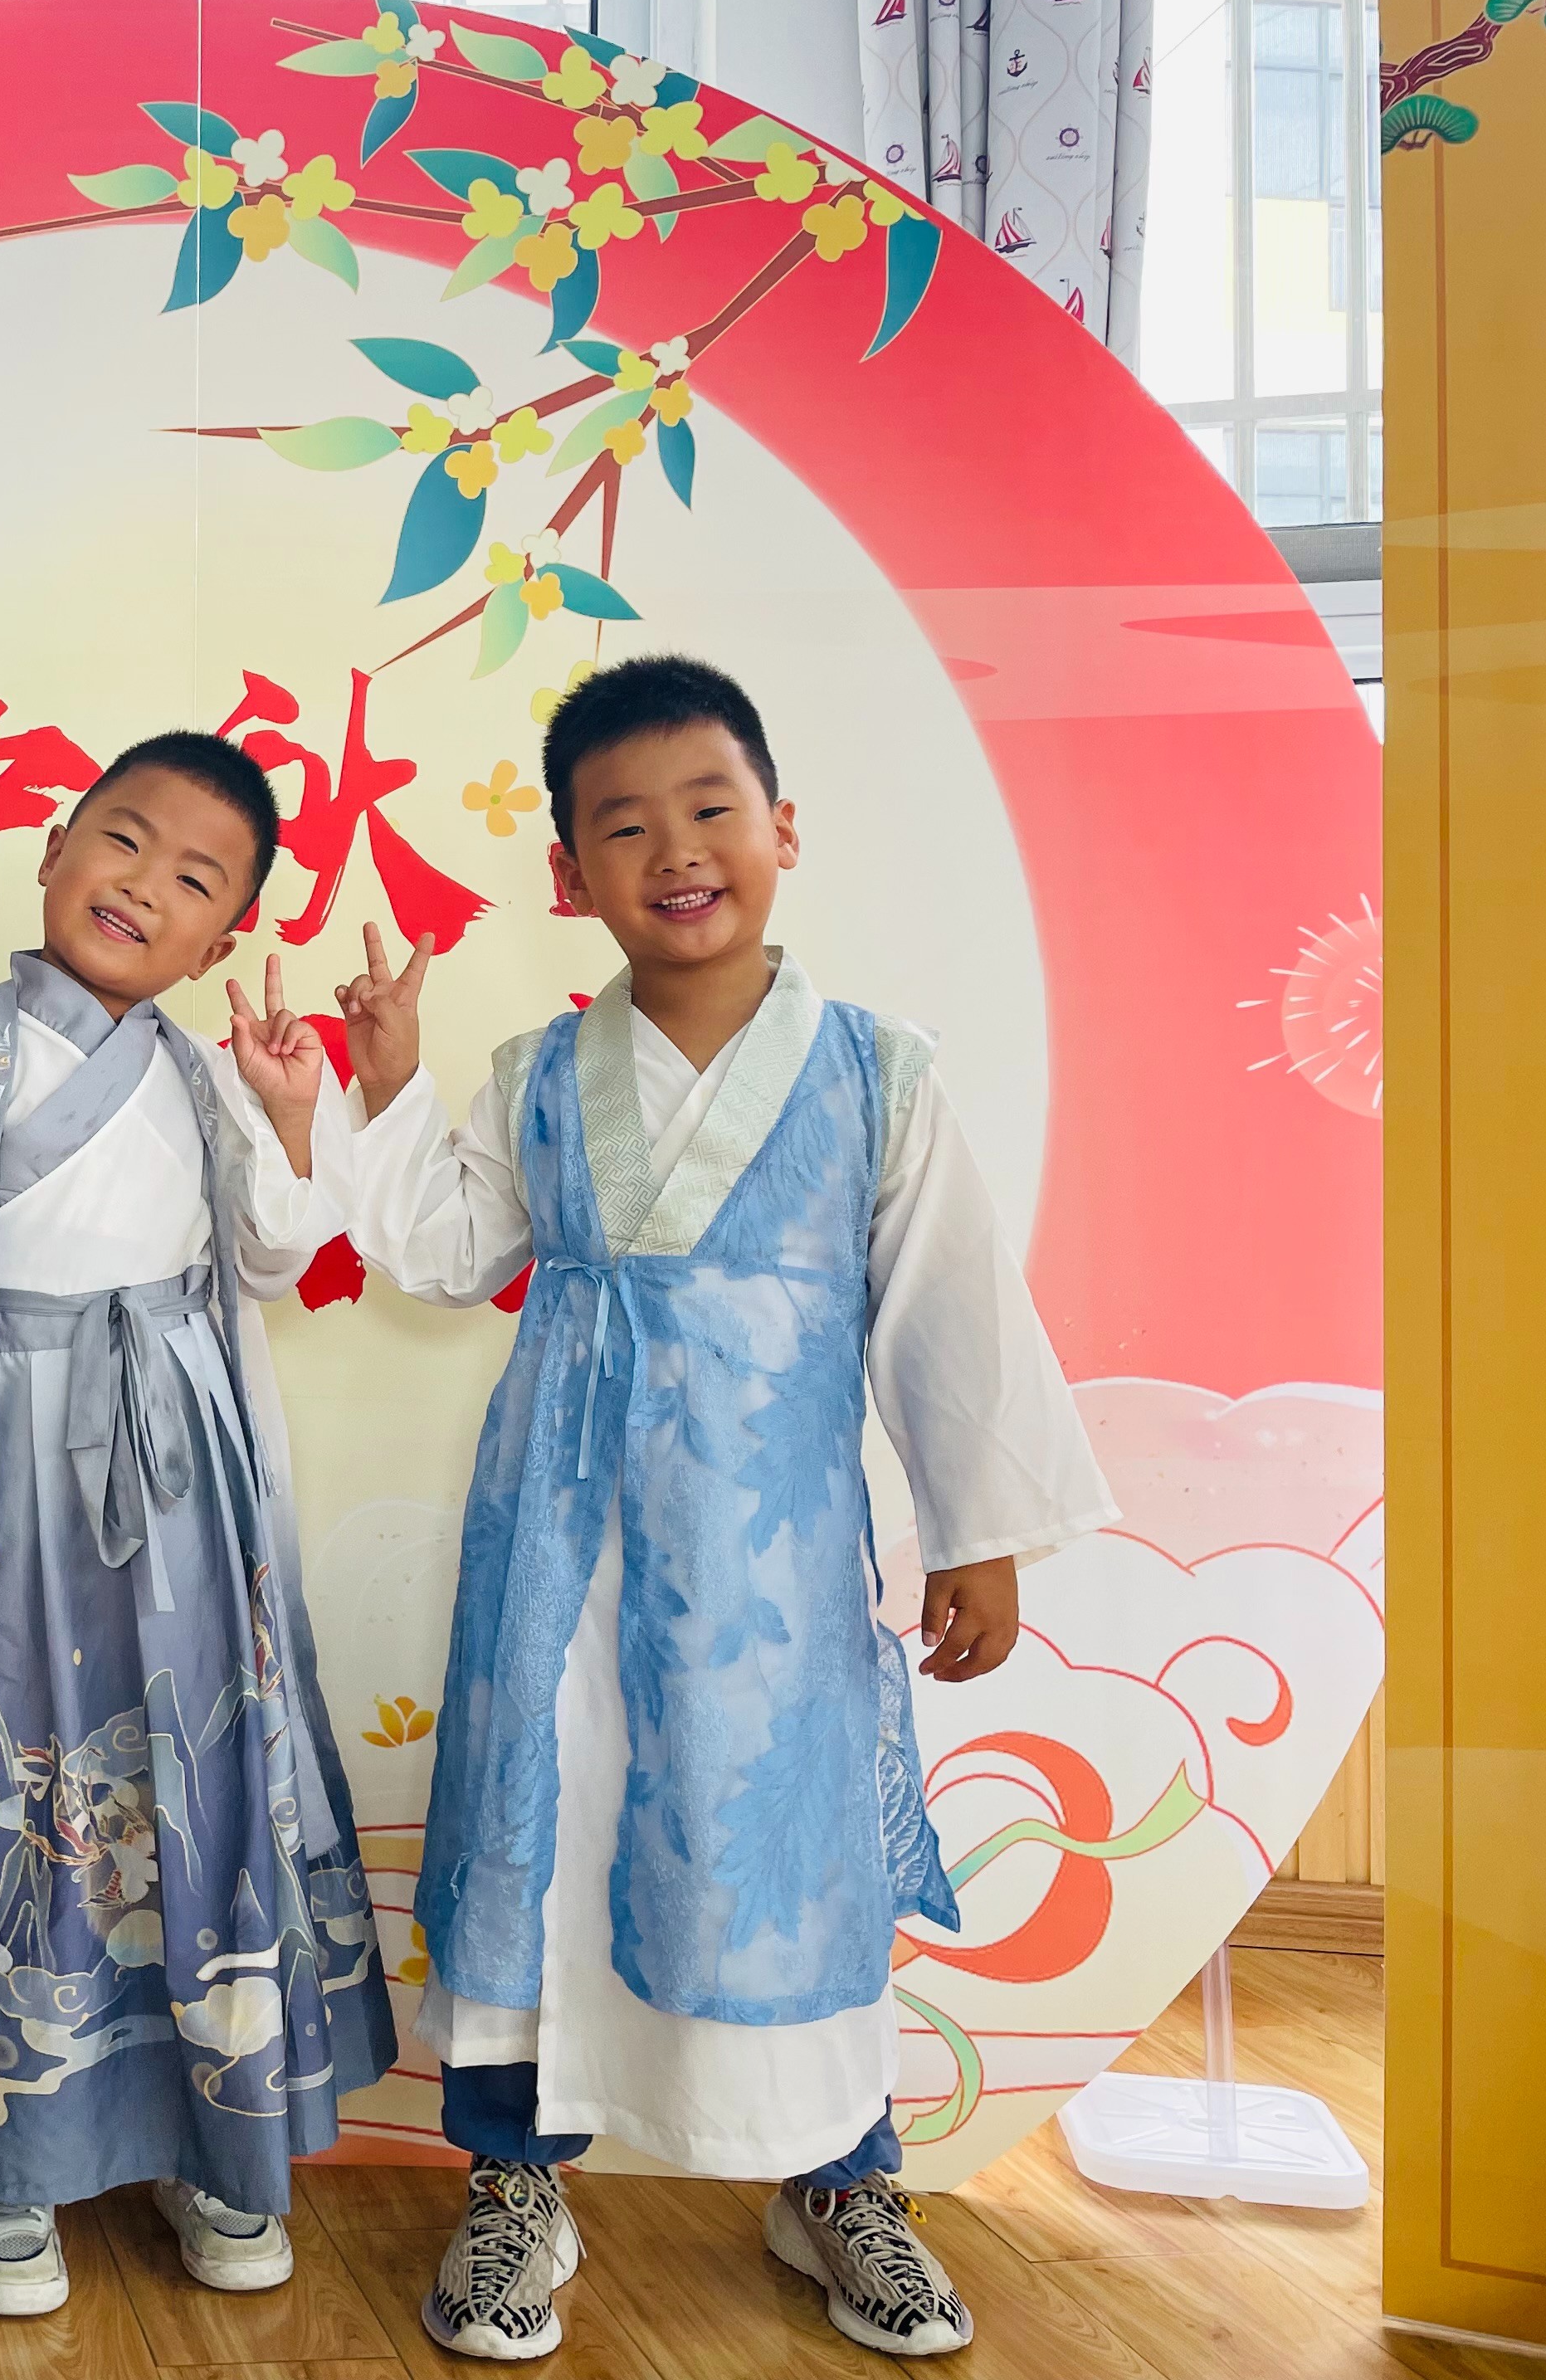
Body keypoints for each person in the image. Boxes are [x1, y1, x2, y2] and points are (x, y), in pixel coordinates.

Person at [317, 656, 1114, 2362]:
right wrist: (389, 1081)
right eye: (624, 826)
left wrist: (979, 1530)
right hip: (564, 1551)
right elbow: (450, 1252)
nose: (676, 850)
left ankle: (840, 2179)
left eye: (710, 808)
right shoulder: (542, 1072)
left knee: (787, 1854)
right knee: (544, 1841)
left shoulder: (875, 1074)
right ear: (570, 877)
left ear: (781, 828)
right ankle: (515, 2179)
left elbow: (949, 1307)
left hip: (773, 1567)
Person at [0, 730, 401, 2320]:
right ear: (53, 849)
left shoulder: (206, 1072)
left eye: (196, 880)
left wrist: (296, 1112)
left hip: (182, 1468)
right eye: (123, 841)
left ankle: (226, 2145)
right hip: (1, 1462)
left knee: (198, 1774)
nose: (144, 887)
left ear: (223, 941)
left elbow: (270, 1257)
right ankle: (10, 2167)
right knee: (14, 1779)